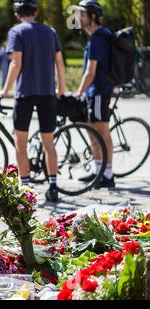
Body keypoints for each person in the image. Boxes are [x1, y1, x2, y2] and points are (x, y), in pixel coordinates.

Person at [0, 0, 66, 203]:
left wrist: (4, 90)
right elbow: (60, 63)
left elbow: (16, 63)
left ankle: (25, 188)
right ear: (35, 12)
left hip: (25, 93)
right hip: (47, 93)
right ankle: (53, 186)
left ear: (17, 14)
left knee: (21, 141)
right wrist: (60, 89)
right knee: (48, 141)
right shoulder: (50, 31)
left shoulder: (16, 31)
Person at [75, 1, 115, 188]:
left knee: (101, 131)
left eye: (82, 14)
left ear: (92, 16)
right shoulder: (97, 37)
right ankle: (98, 171)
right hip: (95, 92)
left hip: (99, 91)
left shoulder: (98, 39)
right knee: (92, 130)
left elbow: (90, 72)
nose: (78, 18)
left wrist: (78, 92)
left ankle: (107, 175)